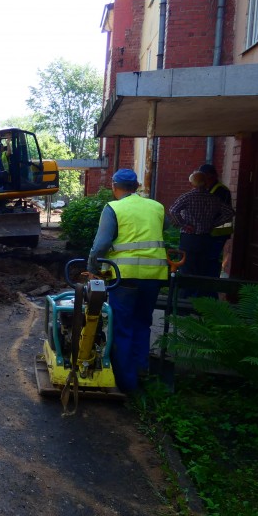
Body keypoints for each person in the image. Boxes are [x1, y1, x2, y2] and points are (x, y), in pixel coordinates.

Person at [87, 168, 169, 393]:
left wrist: (92, 269)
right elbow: (164, 231)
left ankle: (126, 383)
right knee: (143, 323)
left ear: (114, 187)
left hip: (125, 278)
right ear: (137, 186)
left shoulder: (114, 208)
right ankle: (142, 372)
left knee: (122, 327)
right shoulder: (157, 207)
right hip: (154, 277)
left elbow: (101, 244)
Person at [168, 170, 234, 292]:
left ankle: (184, 300)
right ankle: (198, 299)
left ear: (192, 184)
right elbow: (229, 212)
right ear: (205, 183)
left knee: (187, 269)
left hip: (189, 238)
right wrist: (214, 224)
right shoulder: (213, 198)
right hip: (207, 238)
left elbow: (173, 210)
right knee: (202, 270)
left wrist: (184, 224)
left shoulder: (187, 196)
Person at [197, 163, 233, 277]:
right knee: (207, 260)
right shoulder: (210, 189)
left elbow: (220, 212)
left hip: (218, 233)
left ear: (210, 176)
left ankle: (210, 287)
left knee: (211, 260)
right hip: (212, 232)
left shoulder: (220, 191)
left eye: (202, 176)